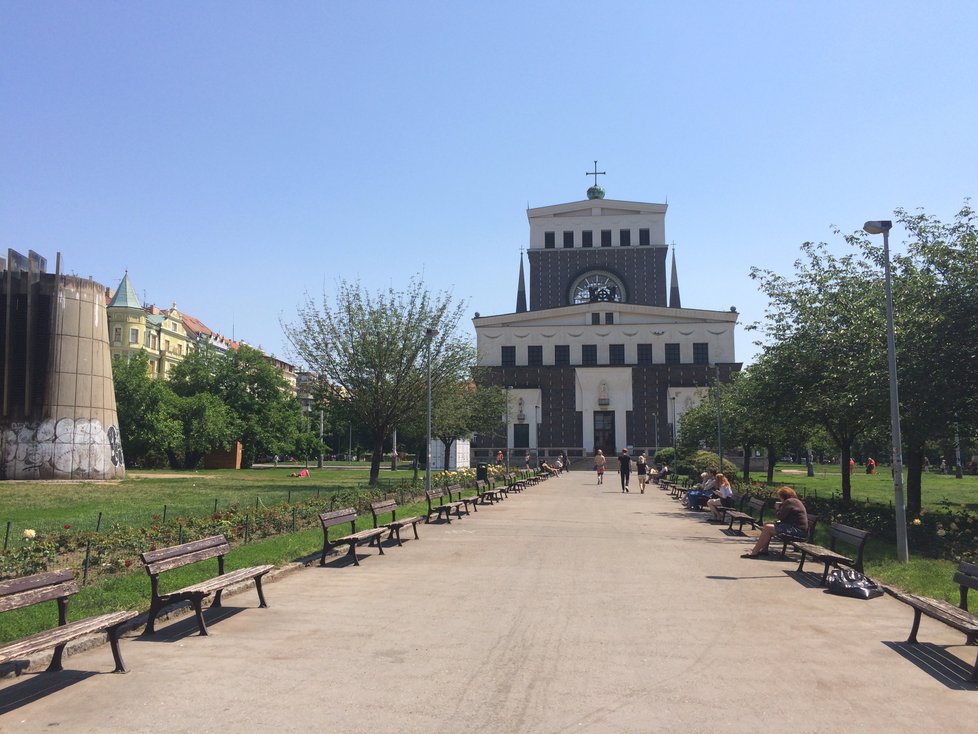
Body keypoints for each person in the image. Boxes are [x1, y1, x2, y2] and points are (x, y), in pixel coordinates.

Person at [742, 487, 808, 558]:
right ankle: (764, 549)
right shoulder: (794, 501)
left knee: (768, 528)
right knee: (767, 525)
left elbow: (780, 516)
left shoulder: (789, 502)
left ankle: (754, 552)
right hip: (794, 528)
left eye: (779, 497)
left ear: (783, 496)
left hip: (797, 531)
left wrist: (777, 508)